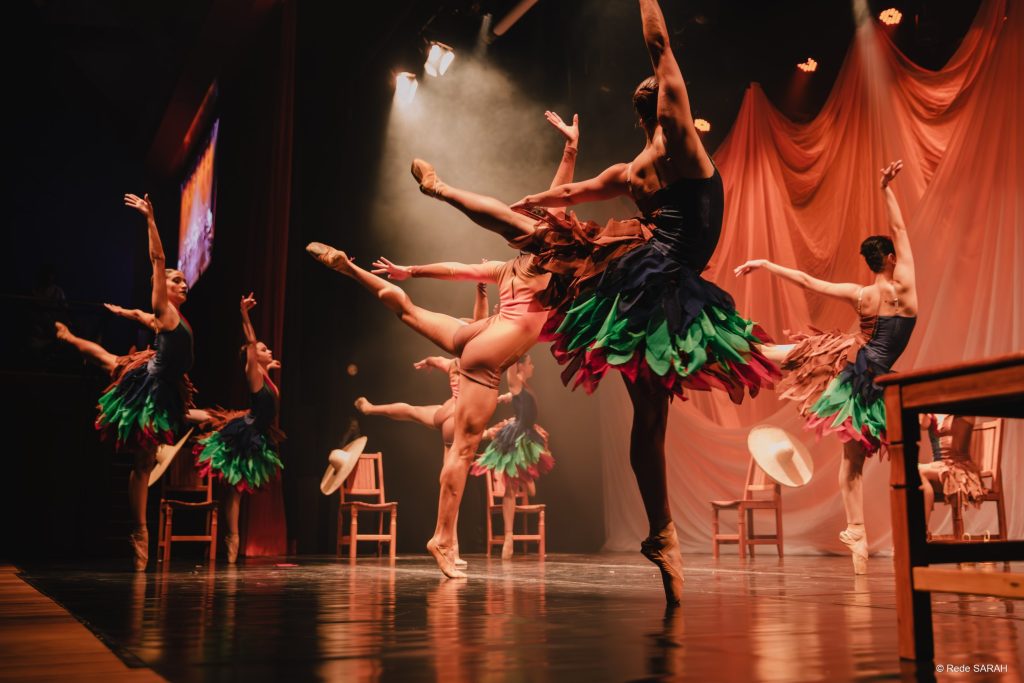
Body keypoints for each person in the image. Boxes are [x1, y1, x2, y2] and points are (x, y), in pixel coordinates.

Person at [413, 1, 777, 603]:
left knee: (533, 236)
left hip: (633, 273)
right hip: (662, 278)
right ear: (667, 105)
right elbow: (660, 47)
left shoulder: (632, 169)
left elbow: (575, 192)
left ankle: (445, 188)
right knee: (653, 418)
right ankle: (663, 533)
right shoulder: (682, 141)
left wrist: (539, 202)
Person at [307, 112, 582, 579]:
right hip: (488, 352)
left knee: (408, 310)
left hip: (475, 333)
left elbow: (457, 269)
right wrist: (570, 151)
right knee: (462, 450)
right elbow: (557, 201)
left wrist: (410, 272)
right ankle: (442, 537)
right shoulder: (548, 262)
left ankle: (350, 268)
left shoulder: (507, 268)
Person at [734, 160, 918, 573]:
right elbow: (902, 231)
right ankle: (860, 530)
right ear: (890, 257)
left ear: (871, 262)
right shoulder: (906, 288)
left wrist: (766, 264)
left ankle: (856, 531)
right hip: (866, 375)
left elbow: (808, 281)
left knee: (800, 357)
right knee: (854, 457)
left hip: (856, 374)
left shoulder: (861, 294)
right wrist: (886, 188)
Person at [93, 193, 197, 571]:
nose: (184, 285)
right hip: (150, 387)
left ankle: (139, 530)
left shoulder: (170, 317)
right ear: (163, 286)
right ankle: (139, 531)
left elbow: (141, 316)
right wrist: (150, 219)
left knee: (147, 459)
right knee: (142, 462)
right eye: (177, 280)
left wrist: (122, 311)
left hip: (167, 386)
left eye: (184, 281)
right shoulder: (164, 308)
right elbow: (158, 259)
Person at [354, 283, 493, 568]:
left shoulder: (452, 362)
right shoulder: (472, 357)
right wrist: (481, 293)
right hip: (458, 416)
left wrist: (429, 361)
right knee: (453, 487)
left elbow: (437, 358)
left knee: (412, 411)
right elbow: (480, 323)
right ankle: (451, 547)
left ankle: (371, 408)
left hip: (445, 412)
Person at [193, 293, 285, 563]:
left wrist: (270, 365)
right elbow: (251, 341)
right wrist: (244, 312)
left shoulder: (265, 374)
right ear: (252, 356)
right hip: (247, 433)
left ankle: (232, 539)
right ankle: (232, 539)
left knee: (239, 491)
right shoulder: (253, 373)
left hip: (258, 433)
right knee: (235, 490)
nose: (268, 351)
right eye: (264, 350)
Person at [472, 355, 554, 560]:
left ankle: (524, 477)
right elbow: (510, 370)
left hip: (528, 433)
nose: (533, 365)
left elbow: (518, 396)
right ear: (521, 366)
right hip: (517, 437)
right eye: (530, 362)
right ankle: (508, 538)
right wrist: (515, 349)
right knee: (510, 487)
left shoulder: (522, 386)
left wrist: (507, 396)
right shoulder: (515, 381)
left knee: (530, 489)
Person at [918, 414, 982, 531]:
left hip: (959, 471)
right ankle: (916, 530)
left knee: (919, 472)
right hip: (939, 467)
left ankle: (921, 531)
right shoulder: (931, 415)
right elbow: (923, 423)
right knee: (913, 471)